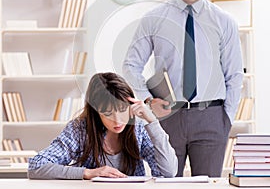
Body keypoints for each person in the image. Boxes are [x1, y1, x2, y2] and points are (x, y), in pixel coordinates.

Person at [122, 0, 243, 177]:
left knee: (209, 185)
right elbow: (131, 65)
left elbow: (234, 74)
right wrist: (148, 101)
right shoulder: (154, 18)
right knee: (166, 183)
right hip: (168, 116)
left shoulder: (224, 22)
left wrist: (226, 119)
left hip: (211, 116)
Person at [28, 72, 177, 179]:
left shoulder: (138, 128)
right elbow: (36, 165)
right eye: (107, 113)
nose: (117, 120)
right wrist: (87, 173)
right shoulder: (80, 130)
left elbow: (168, 172)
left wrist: (152, 121)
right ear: (96, 112)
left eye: (122, 110)